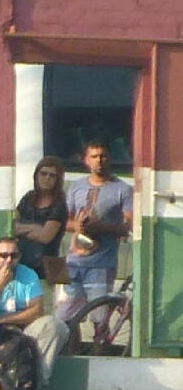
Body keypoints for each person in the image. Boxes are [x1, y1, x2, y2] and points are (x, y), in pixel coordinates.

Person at [0, 235, 63, 390]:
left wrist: (3, 319)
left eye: (14, 255)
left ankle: (40, 381)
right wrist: (1, 284)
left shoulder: (28, 275)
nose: (9, 260)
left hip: (21, 330)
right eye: (3, 255)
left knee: (54, 325)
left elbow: (37, 310)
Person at [62, 139, 134, 345]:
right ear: (85, 160)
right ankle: (71, 354)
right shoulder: (76, 187)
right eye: (94, 156)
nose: (99, 160)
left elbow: (128, 225)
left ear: (109, 158)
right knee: (66, 318)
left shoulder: (122, 189)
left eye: (103, 156)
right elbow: (65, 221)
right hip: (73, 263)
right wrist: (78, 225)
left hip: (102, 264)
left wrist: (100, 227)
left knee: (99, 320)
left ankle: (100, 355)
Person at [11, 156, 68, 276]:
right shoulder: (28, 198)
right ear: (36, 176)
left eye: (52, 175)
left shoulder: (59, 204)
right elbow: (12, 227)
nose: (47, 178)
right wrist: (34, 227)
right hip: (20, 261)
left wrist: (22, 231)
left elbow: (45, 237)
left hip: (44, 266)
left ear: (58, 179)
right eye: (43, 174)